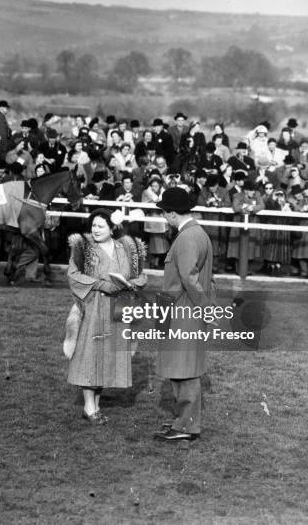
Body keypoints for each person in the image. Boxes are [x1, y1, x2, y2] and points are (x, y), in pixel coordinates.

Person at [65, 208, 147, 424]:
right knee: (91, 353)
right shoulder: (84, 248)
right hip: (93, 308)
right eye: (93, 225)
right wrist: (101, 284)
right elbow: (73, 275)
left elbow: (141, 276)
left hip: (118, 309)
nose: (96, 229)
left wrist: (131, 285)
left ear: (113, 228)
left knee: (107, 355)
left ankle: (96, 405)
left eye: (101, 226)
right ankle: (89, 406)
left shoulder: (126, 249)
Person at [153, 187, 216, 442]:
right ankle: (183, 422)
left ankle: (186, 427)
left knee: (184, 370)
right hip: (183, 308)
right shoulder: (196, 233)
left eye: (164, 212)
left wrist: (206, 310)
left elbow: (190, 280)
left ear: (170, 214)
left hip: (183, 310)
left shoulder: (187, 237)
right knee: (182, 367)